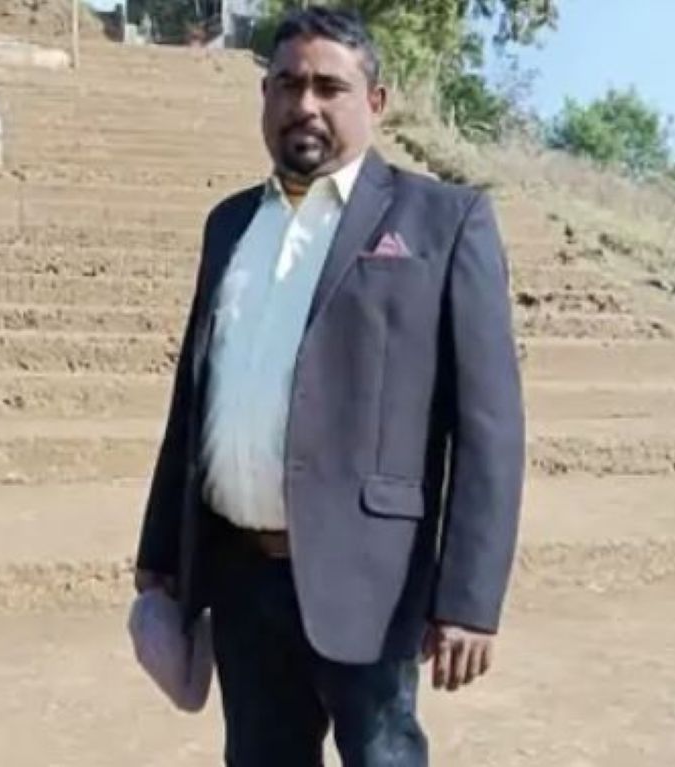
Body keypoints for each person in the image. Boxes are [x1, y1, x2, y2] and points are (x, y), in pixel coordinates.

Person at [133, 6, 525, 766]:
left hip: (368, 580)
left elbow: (490, 426)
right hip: (241, 578)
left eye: (329, 87)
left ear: (374, 102)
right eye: (286, 84)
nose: (304, 104)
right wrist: (162, 552)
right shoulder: (231, 225)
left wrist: (469, 599)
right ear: (264, 96)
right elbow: (195, 396)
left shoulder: (443, 222)